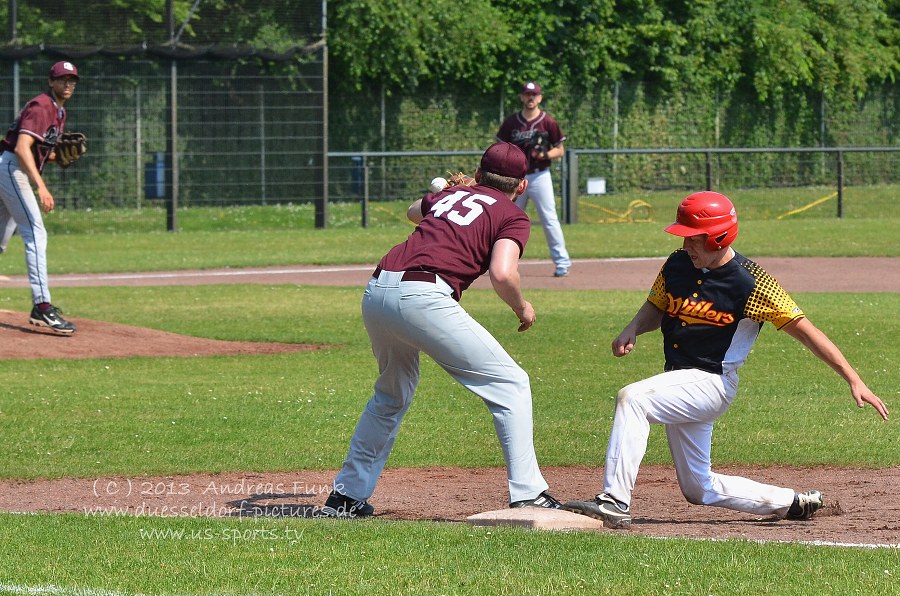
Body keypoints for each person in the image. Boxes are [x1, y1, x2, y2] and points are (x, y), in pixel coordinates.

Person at [564, 191, 889, 528]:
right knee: (697, 488)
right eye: (684, 236)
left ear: (719, 237)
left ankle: (614, 501)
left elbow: (807, 332)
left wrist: (853, 378)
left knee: (633, 398)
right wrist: (633, 328)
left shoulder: (752, 282)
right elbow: (659, 305)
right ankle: (791, 503)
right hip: (678, 380)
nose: (687, 244)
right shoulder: (678, 264)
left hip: (713, 382)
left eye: (694, 238)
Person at [322, 141, 562, 517]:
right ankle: (528, 492)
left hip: (378, 290)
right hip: (423, 297)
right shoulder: (513, 215)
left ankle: (346, 497)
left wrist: (452, 192)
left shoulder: (454, 194)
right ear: (522, 186)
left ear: (480, 174)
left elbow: (412, 212)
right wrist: (523, 307)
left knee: (390, 397)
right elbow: (502, 273)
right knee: (511, 384)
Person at [0, 60, 82, 335]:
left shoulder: (59, 111)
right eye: (62, 79)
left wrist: (58, 157)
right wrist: (41, 186)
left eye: (72, 80)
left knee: (1, 239)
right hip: (14, 169)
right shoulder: (42, 106)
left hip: (9, 168)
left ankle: (41, 305)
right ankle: (42, 306)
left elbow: (39, 149)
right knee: (35, 233)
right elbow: (23, 148)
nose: (68, 84)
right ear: (51, 82)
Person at [497, 81, 572, 278]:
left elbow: (560, 149)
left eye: (534, 95)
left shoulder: (548, 122)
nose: (531, 98)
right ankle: (501, 263)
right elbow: (500, 148)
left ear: (540, 98)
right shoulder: (511, 123)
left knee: (549, 219)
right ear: (522, 97)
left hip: (540, 175)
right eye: (527, 94)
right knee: (506, 220)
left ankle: (562, 262)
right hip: (514, 178)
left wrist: (545, 155)